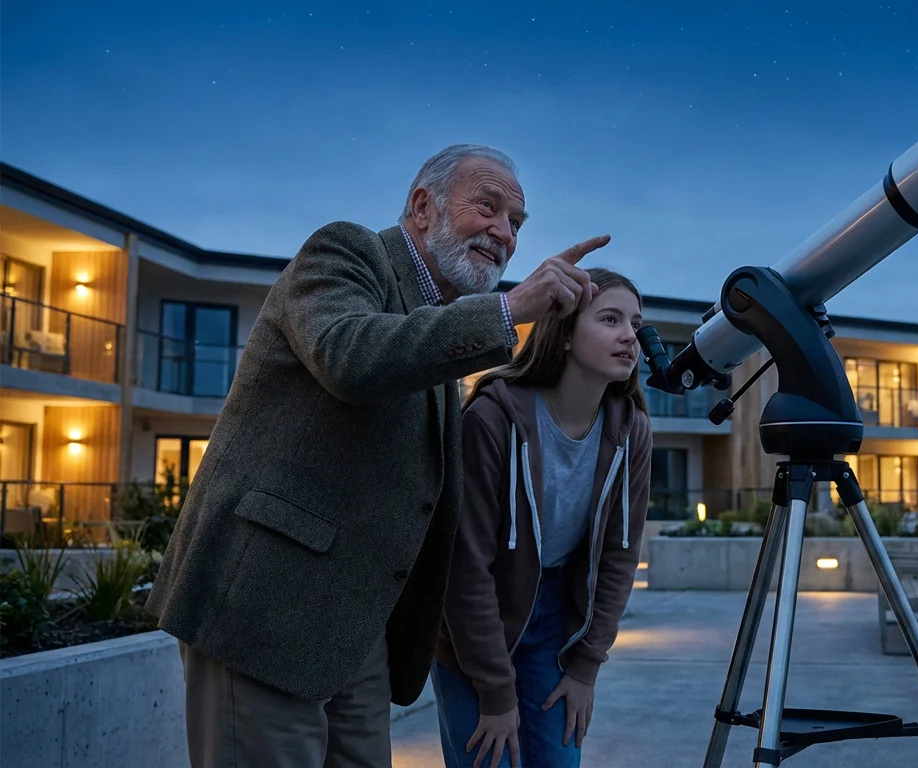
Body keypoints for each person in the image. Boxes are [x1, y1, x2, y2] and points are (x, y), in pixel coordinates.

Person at [144, 143, 613, 767]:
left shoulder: (440, 326)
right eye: (488, 207)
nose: (503, 233)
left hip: (357, 629)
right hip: (263, 609)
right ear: (423, 207)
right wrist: (510, 309)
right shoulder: (346, 252)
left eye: (517, 224)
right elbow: (351, 357)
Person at [431, 267, 652, 768]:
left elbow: (620, 555)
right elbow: (464, 569)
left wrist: (586, 667)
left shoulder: (630, 429)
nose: (628, 336)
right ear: (566, 332)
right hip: (477, 618)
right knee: (490, 758)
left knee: (558, 758)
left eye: (635, 325)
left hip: (556, 617)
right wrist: (494, 692)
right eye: (610, 319)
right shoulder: (490, 419)